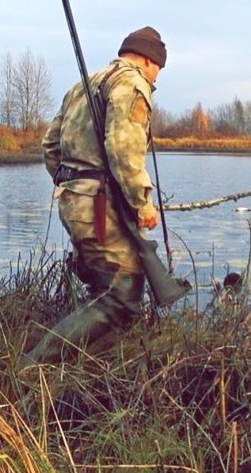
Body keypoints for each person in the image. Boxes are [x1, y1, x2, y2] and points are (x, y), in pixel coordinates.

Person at [21, 26, 166, 367]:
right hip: (100, 206)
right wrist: (141, 201)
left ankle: (105, 365)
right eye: (159, 67)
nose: (158, 77)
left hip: (75, 202)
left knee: (108, 283)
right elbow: (123, 147)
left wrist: (73, 183)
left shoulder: (83, 86)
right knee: (120, 296)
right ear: (147, 59)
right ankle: (34, 366)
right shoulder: (131, 83)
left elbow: (50, 146)